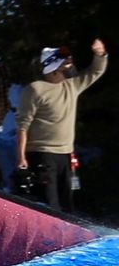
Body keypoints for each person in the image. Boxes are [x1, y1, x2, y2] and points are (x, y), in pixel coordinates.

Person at [17, 38, 106, 214]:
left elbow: (94, 72)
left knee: (68, 205)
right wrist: (21, 158)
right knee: (48, 205)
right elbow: (22, 125)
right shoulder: (35, 89)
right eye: (66, 63)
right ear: (53, 66)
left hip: (65, 155)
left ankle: (69, 237)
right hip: (41, 154)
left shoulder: (72, 86)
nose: (70, 66)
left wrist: (100, 54)